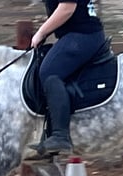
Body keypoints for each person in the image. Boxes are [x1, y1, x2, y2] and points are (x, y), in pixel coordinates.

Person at [31, 0, 106, 154]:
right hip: (77, 33)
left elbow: (67, 8)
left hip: (83, 34)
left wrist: (41, 32)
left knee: (49, 71)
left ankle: (60, 135)